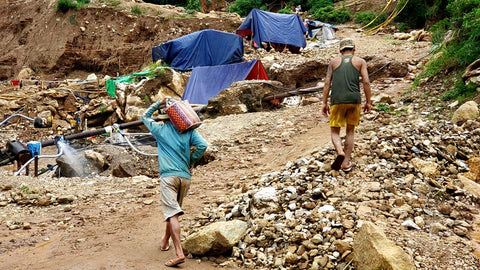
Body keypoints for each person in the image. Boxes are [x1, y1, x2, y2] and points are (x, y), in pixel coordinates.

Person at [141, 98, 208, 267]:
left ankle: (179, 253)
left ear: (165, 118)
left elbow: (144, 116)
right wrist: (191, 161)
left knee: (172, 213)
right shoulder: (189, 131)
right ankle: (165, 241)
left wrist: (157, 103)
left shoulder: (160, 130)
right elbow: (203, 146)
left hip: (169, 177)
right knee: (173, 213)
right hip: (185, 178)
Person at [322, 38, 372, 172]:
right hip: (354, 100)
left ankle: (340, 151)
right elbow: (366, 82)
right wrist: (368, 101)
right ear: (354, 49)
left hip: (337, 101)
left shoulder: (333, 62)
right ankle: (346, 162)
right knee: (350, 131)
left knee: (334, 131)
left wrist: (324, 103)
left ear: (340, 51)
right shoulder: (360, 62)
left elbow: (327, 83)